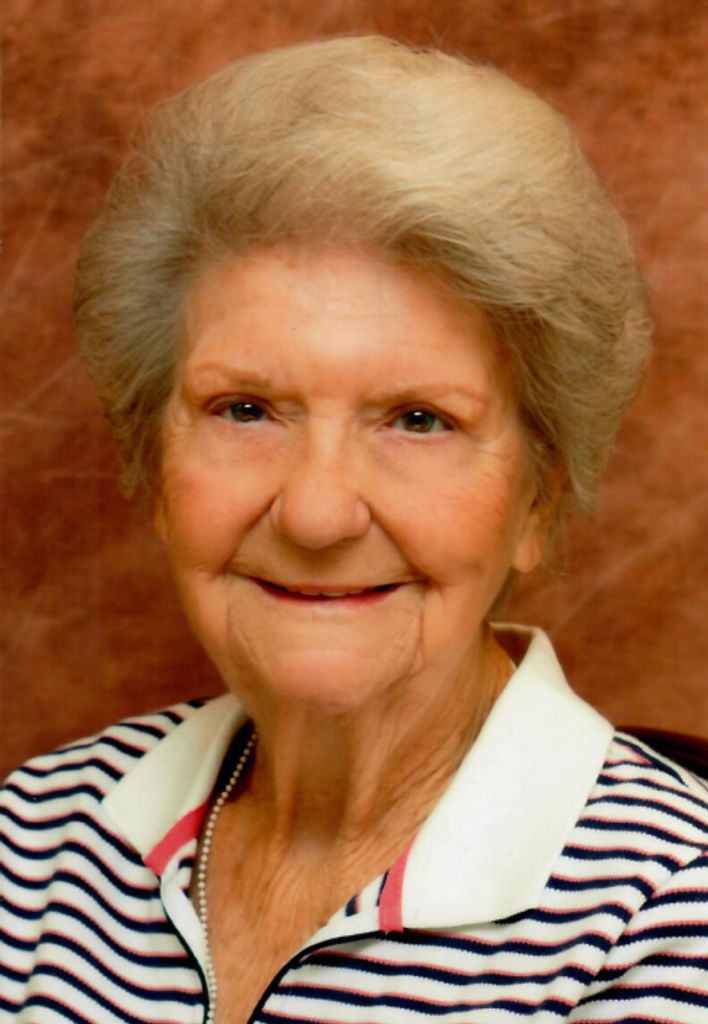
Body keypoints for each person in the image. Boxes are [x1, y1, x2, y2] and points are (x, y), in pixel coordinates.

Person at [1, 34, 707, 1024]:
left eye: (418, 419)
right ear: (154, 466)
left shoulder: (670, 916)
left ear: (537, 502)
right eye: (246, 409)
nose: (318, 511)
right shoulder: (36, 843)